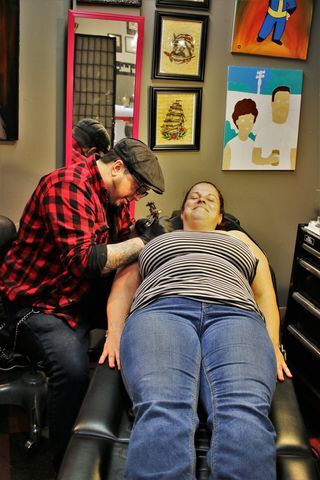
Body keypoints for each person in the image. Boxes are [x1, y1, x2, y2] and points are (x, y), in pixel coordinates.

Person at [99, 181, 292, 480]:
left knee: (243, 411)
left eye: (210, 198)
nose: (200, 200)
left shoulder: (237, 237)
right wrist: (114, 331)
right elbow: (124, 285)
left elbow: (264, 292)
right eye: (193, 197)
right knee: (163, 406)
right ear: (183, 209)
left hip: (235, 314)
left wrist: (272, 344)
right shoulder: (158, 235)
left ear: (221, 216)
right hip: (161, 310)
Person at [0, 137, 164, 471]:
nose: (136, 197)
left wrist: (138, 234)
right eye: (139, 188)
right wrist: (140, 241)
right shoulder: (65, 186)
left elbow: (116, 251)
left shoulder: (111, 197)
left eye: (142, 194)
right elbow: (86, 261)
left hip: (74, 292)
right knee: (72, 371)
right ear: (117, 167)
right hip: (34, 302)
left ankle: (135, 424)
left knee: (144, 314)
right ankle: (67, 464)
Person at [252, 85, 297, 170]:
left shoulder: (293, 134)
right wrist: (268, 161)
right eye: (279, 101)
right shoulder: (262, 132)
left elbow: (293, 162)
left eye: (286, 102)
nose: (283, 106)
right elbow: (255, 159)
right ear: (272, 104)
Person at [223, 98, 258, 170]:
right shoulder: (230, 147)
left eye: (250, 120)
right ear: (236, 121)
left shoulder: (254, 145)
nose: (247, 123)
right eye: (243, 119)